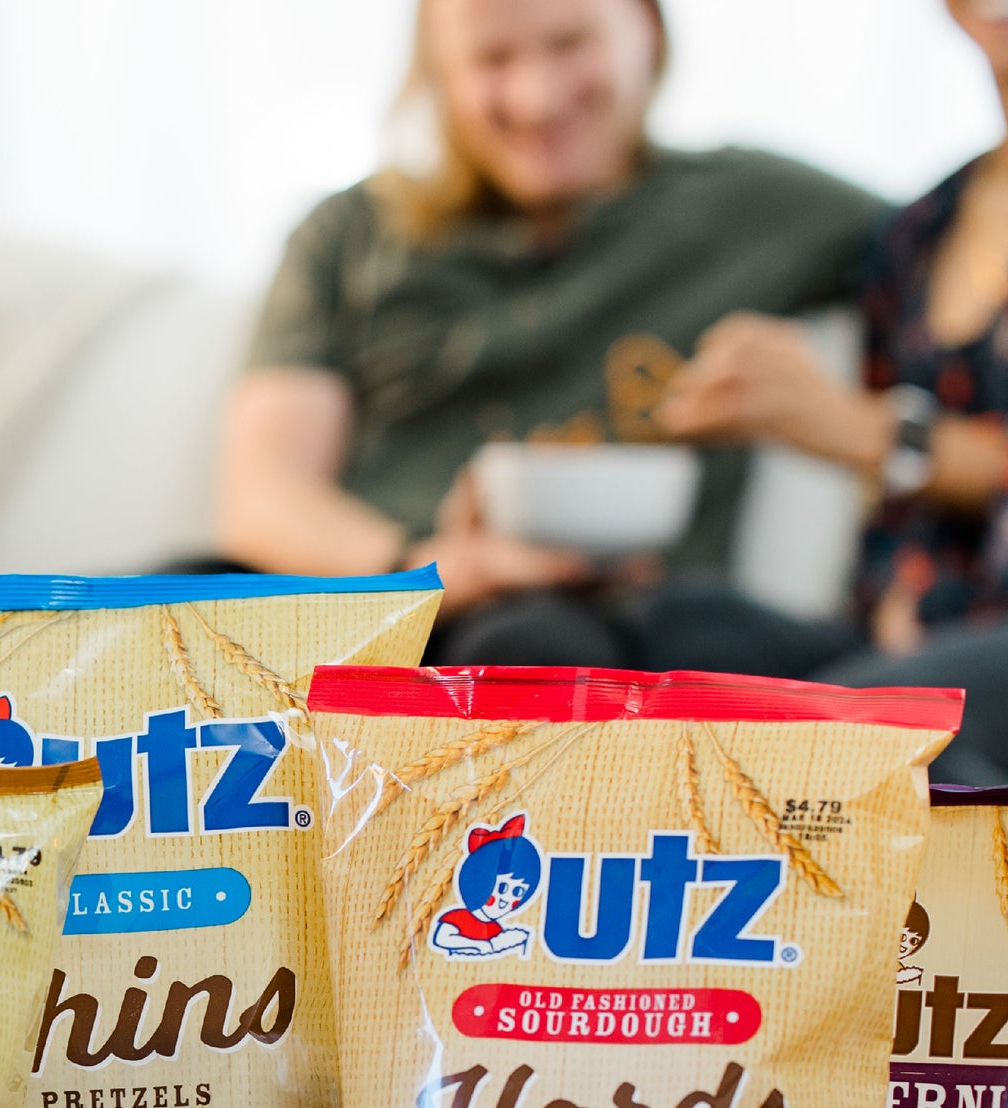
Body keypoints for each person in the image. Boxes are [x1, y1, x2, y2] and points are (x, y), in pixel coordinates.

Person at [213, 0, 882, 664]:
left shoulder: (756, 212)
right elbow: (267, 496)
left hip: (589, 620)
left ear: (645, 30)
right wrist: (427, 572)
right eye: (492, 59)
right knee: (166, 612)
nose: (537, 99)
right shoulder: (350, 233)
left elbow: (970, 247)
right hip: (366, 593)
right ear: (439, 69)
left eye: (569, 43)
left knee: (530, 654)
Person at [646, 0, 1008, 780]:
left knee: (839, 735)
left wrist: (865, 430)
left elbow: (875, 436)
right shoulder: (915, 233)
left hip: (966, 659)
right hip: (896, 641)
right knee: (668, 630)